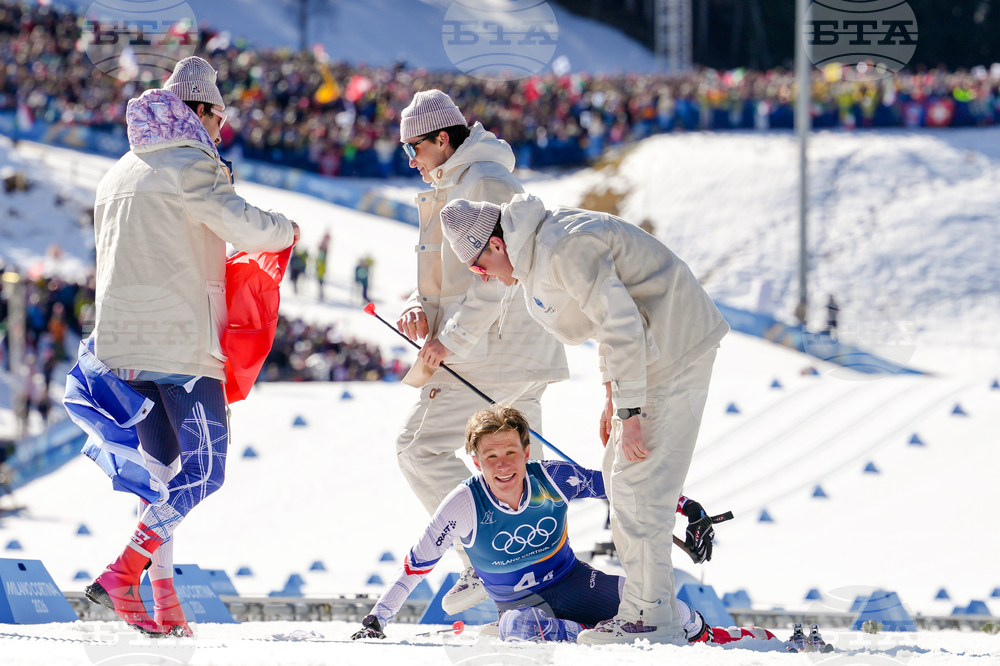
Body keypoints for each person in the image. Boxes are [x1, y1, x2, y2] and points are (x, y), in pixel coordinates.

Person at [439, 195, 729, 645]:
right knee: (620, 482)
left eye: (478, 267)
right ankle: (642, 609)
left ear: (495, 245)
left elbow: (623, 325)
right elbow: (604, 326)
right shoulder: (539, 249)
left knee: (638, 487)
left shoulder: (559, 249)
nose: (485, 277)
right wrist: (613, 394)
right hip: (654, 354)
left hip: (673, 350)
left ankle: (653, 617)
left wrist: (631, 412)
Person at [82, 56, 298, 637]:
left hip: (121, 348)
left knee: (161, 481)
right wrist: (286, 230)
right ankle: (123, 573)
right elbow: (244, 226)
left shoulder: (119, 171)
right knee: (203, 472)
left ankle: (162, 602)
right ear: (197, 112)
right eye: (219, 120)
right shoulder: (191, 165)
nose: (220, 133)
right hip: (181, 344)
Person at [351, 405, 774, 647]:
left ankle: (724, 639)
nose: (502, 466)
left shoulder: (553, 478)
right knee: (514, 628)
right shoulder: (463, 504)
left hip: (576, 583)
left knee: (656, 602)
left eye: (510, 453)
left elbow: (621, 486)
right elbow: (416, 566)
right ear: (475, 459)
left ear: (526, 450)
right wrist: (376, 620)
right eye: (490, 456)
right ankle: (591, 636)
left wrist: (688, 507)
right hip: (522, 607)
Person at [393, 90, 568, 612]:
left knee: (417, 449)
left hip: (494, 348)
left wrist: (450, 339)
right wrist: (417, 305)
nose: (411, 161)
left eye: (414, 149)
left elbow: (495, 280)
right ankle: (531, 584)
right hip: (514, 348)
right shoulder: (460, 180)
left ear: (442, 139)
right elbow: (450, 274)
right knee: (523, 467)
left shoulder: (484, 182)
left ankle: (482, 563)